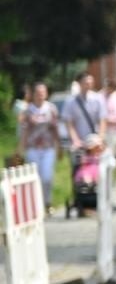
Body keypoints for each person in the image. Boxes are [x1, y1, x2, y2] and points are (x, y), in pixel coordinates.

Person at [20, 84, 59, 213]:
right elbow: (25, 130)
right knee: (34, 177)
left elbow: (55, 129)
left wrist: (59, 145)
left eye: (43, 92)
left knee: (47, 177)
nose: (40, 95)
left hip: (48, 147)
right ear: (34, 94)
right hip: (33, 148)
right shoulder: (28, 110)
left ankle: (47, 202)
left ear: (46, 94)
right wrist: (21, 148)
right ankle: (35, 204)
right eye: (38, 92)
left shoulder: (51, 109)